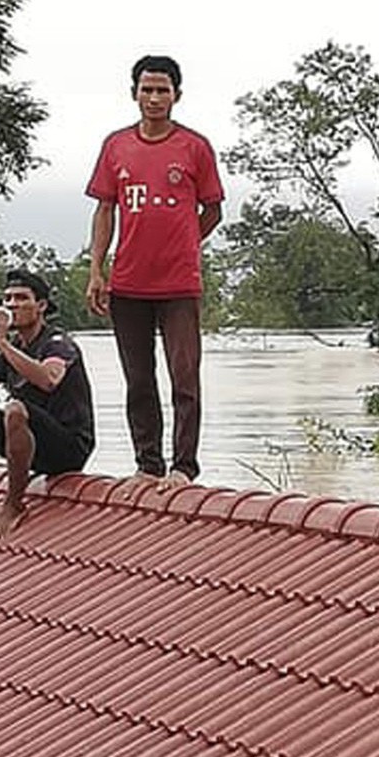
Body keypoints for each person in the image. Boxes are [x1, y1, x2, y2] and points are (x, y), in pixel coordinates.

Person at [84, 54, 224, 491]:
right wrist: (97, 269)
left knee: (185, 376)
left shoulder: (194, 147)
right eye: (147, 89)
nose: (155, 97)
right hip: (128, 283)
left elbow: (214, 209)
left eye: (163, 90)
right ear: (134, 94)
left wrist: (185, 243)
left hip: (179, 283)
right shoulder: (116, 146)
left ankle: (184, 468)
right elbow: (105, 209)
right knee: (138, 379)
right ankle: (148, 464)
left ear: (176, 96)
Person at [0, 269, 97, 540]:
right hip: (27, 439)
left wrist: (1, 343)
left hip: (68, 446)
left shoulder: (58, 343)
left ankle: (14, 504)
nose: (12, 305)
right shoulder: (12, 348)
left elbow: (49, 379)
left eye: (22, 298)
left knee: (14, 408)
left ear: (41, 306)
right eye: (8, 299)